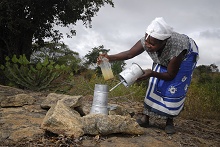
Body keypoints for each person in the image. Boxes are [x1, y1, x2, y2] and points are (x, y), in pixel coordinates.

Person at [97, 17, 199, 134]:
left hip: (186, 57)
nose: (148, 45)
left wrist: (152, 73)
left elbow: (170, 75)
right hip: (166, 55)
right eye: (146, 42)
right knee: (154, 84)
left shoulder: (177, 50)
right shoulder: (149, 38)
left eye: (152, 44)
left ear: (163, 42)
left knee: (174, 87)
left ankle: (169, 121)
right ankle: (146, 117)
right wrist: (109, 58)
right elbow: (130, 54)